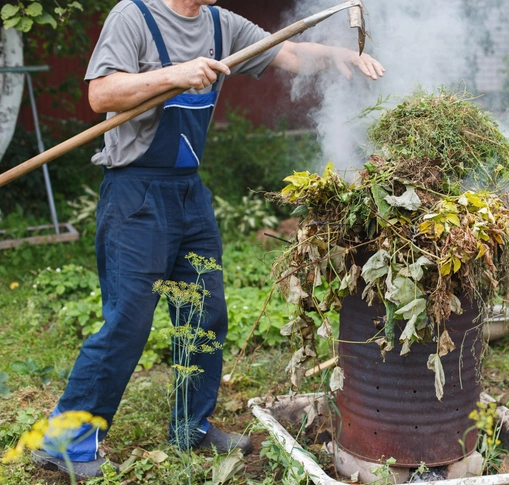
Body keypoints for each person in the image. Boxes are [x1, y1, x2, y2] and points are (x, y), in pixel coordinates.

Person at [32, 0, 385, 479]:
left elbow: (289, 53)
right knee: (128, 322)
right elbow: (102, 94)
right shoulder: (133, 17)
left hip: (188, 192)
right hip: (136, 191)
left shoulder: (222, 24)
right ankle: (65, 442)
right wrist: (175, 74)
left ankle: (190, 427)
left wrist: (336, 54)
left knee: (205, 310)